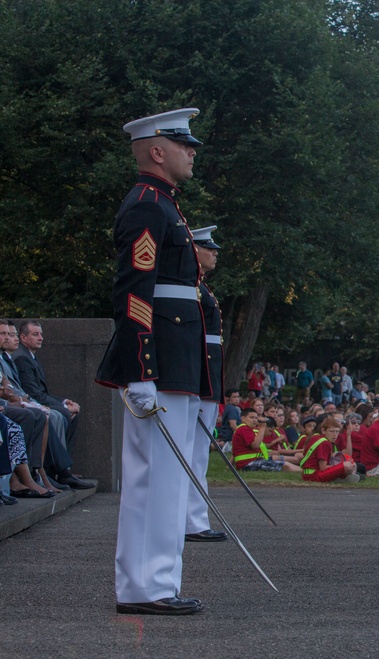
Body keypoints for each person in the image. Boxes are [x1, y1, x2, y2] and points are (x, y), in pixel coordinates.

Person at [94, 108, 209, 615]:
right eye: (184, 145)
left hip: (174, 357)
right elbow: (135, 292)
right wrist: (141, 370)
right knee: (155, 475)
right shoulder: (146, 205)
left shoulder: (165, 205)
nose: (192, 153)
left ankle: (154, 581)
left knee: (166, 475)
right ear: (156, 151)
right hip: (158, 359)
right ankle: (147, 586)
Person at [184, 225, 227, 543]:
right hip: (199, 376)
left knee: (197, 453)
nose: (214, 252)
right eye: (208, 247)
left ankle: (194, 518)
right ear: (193, 250)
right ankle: (192, 521)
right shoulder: (192, 289)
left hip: (206, 376)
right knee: (194, 453)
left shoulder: (201, 288)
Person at [12, 321, 91, 489]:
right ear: (23, 337)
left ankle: (64, 469)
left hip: (34, 401)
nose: (41, 338)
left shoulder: (30, 356)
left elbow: (41, 393)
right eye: (35, 334)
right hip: (27, 403)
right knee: (56, 415)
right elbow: (33, 393)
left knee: (70, 414)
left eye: (41, 334)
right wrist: (61, 406)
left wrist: (64, 402)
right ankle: (56, 471)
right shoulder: (21, 358)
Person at [300, 416, 358, 483]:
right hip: (314, 475)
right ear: (323, 431)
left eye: (337, 432)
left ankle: (341, 478)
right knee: (347, 465)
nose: (335, 435)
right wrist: (340, 467)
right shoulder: (325, 443)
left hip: (307, 474)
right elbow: (323, 468)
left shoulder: (317, 438)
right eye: (332, 431)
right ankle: (342, 478)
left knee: (351, 465)